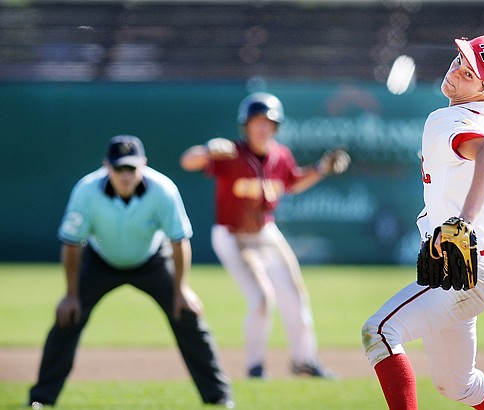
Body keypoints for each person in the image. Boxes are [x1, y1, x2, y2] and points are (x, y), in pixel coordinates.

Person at [362, 8, 484, 410]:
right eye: (459, 61)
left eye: (468, 73)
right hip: (473, 269)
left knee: (379, 332)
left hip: (460, 268)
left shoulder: (446, 119)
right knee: (459, 386)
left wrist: (461, 222)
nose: (455, 72)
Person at [29, 135, 234, 408]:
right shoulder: (86, 190)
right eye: (119, 168)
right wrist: (70, 294)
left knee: (187, 314)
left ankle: (219, 397)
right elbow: (72, 243)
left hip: (152, 259)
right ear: (106, 166)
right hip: (100, 261)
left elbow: (179, 241)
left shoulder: (163, 190)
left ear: (144, 165)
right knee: (68, 318)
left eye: (131, 168)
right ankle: (41, 399)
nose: (125, 175)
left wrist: (181, 289)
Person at [180, 92, 350, 379]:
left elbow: (292, 183)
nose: (263, 128)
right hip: (231, 235)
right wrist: (208, 149)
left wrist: (321, 168)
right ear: (245, 126)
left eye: (268, 123)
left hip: (265, 231)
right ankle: (255, 367)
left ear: (276, 127)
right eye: (257, 122)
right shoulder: (231, 153)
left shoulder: (280, 155)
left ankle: (303, 361)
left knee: (295, 294)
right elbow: (188, 161)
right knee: (261, 298)